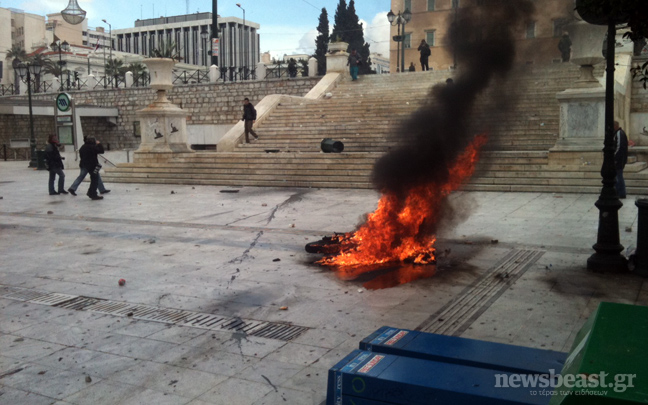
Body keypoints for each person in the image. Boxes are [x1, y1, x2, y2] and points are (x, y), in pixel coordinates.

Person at [614, 121, 628, 199]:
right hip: (620, 159)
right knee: (617, 175)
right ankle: (619, 192)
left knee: (619, 176)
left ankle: (621, 193)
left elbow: (619, 147)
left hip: (619, 159)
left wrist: (614, 157)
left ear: (615, 126)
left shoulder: (619, 133)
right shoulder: (618, 133)